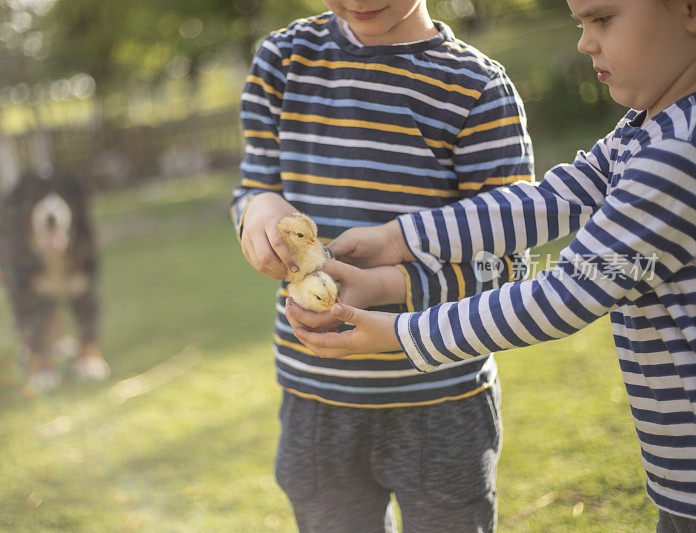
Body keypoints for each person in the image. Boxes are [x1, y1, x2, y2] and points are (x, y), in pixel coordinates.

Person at [291, 0, 696, 529]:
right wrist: (396, 239)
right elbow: (546, 200)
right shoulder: (646, 129)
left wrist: (401, 332)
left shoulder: (678, 153)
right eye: (581, 23)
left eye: (603, 19)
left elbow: (566, 294)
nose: (585, 42)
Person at [231, 0, 534, 530]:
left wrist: (382, 285)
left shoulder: (476, 86)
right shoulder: (281, 60)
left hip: (440, 396)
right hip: (315, 397)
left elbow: (508, 265)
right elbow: (254, 185)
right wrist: (258, 209)